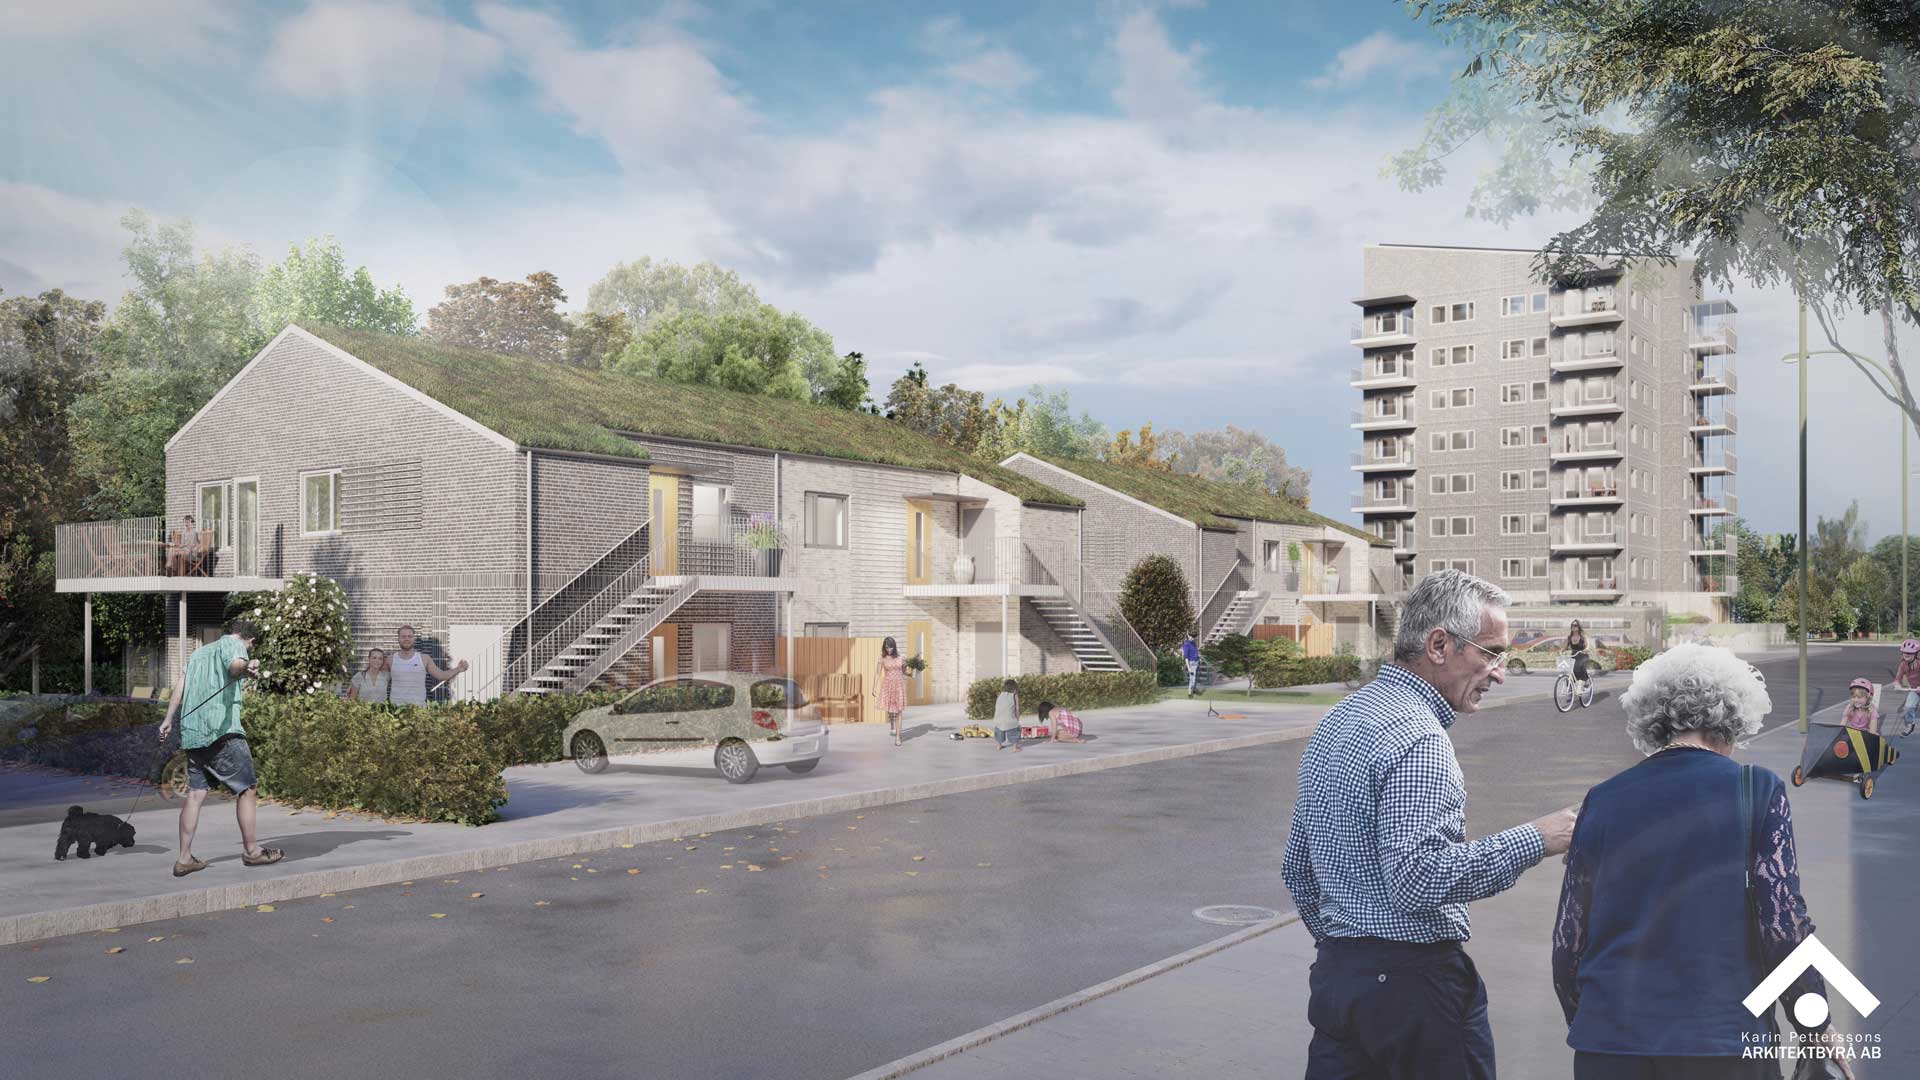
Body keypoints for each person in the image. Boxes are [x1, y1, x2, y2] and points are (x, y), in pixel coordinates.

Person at [1282, 569, 1578, 1079]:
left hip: (1340, 981)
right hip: (1413, 990)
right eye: (1490, 653)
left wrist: (1347, 951)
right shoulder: (1419, 738)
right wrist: (1540, 838)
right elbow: (1418, 877)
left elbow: (1297, 868)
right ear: (1439, 644)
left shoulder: (1341, 717)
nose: (1499, 672)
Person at [1552, 644, 1851, 1080]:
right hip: (1721, 1041)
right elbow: (1782, 924)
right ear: (1733, 718)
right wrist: (1814, 1024)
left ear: (1654, 720)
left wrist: (1589, 1021)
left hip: (1610, 1043)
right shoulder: (1757, 790)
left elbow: (1568, 940)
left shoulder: (1603, 798)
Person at [156, 619, 283, 876]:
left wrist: (168, 720)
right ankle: (252, 852)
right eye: (250, 645)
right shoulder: (234, 644)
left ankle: (184, 858)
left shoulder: (199, 653)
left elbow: (180, 688)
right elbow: (235, 665)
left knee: (195, 794)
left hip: (192, 733)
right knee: (248, 788)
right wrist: (247, 665)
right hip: (221, 732)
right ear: (249, 640)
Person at [388, 625, 468, 706]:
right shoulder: (390, 660)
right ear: (398, 639)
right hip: (395, 710)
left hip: (418, 710)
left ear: (414, 639)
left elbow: (441, 675)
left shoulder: (424, 659)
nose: (407, 639)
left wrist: (458, 669)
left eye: (409, 636)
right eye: (403, 636)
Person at [873, 636, 908, 747]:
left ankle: (898, 737)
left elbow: (904, 672)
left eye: (891, 647)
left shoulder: (901, 657)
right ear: (884, 647)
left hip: (899, 685)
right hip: (888, 685)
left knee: (899, 710)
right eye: (887, 647)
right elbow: (878, 673)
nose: (889, 650)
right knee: (890, 709)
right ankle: (892, 724)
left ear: (894, 646)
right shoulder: (882, 658)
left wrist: (912, 672)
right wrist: (874, 687)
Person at [1893, 638, 1920, 731]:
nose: (1906, 654)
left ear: (1916, 654)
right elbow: (1897, 678)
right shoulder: (1903, 664)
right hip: (1914, 690)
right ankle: (1910, 724)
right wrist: (1897, 685)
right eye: (1905, 652)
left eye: (1910, 653)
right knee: (1908, 707)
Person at [992, 678, 1022, 752]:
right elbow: (1017, 708)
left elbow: (997, 707)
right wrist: (1017, 719)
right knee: (1014, 731)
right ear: (1014, 688)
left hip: (998, 719)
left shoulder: (1000, 695)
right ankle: (1015, 747)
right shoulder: (1014, 695)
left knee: (999, 732)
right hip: (1010, 720)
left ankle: (999, 746)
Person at [1567, 619, 1592, 693]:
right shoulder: (1569, 637)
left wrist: (1586, 649)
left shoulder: (1583, 636)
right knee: (1570, 671)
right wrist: (1561, 651)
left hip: (1583, 655)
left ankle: (1585, 680)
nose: (1573, 627)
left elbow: (1587, 646)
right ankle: (1571, 686)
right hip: (1574, 655)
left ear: (1579, 627)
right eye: (1572, 625)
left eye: (1575, 625)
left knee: (1579, 666)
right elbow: (1564, 647)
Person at [1181, 632, 1202, 696]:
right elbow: (1186, 658)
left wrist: (1199, 657)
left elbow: (1196, 652)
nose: (1192, 638)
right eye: (1191, 636)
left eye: (1194, 637)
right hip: (1191, 663)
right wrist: (1189, 668)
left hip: (1197, 662)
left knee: (1196, 678)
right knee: (1192, 679)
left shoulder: (1194, 643)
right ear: (1188, 635)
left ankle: (1194, 690)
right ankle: (1190, 692)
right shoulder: (1186, 645)